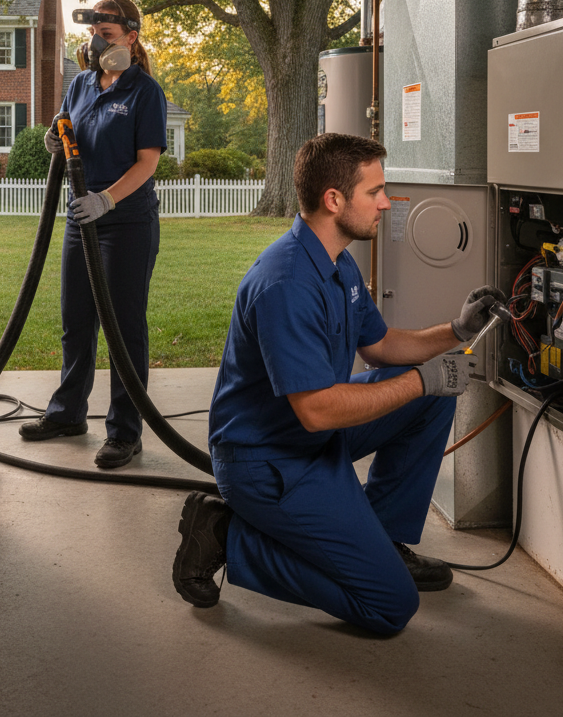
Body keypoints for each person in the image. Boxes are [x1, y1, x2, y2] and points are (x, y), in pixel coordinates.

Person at [171, 132, 503, 633]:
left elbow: (382, 346)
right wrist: (422, 380)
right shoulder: (285, 284)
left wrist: (457, 331)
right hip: (270, 461)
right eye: (375, 192)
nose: (386, 203)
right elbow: (318, 410)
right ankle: (227, 536)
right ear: (334, 199)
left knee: (431, 400)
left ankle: (383, 536)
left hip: (313, 439)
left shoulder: (335, 260)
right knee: (390, 606)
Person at [19, 0, 168, 469]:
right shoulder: (81, 83)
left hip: (125, 224)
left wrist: (107, 198)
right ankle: (67, 414)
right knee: (76, 322)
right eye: (93, 34)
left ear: (130, 37)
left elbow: (148, 163)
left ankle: (125, 432)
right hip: (79, 220)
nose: (97, 42)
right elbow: (67, 130)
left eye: (107, 34)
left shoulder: (146, 92)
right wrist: (55, 138)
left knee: (124, 330)